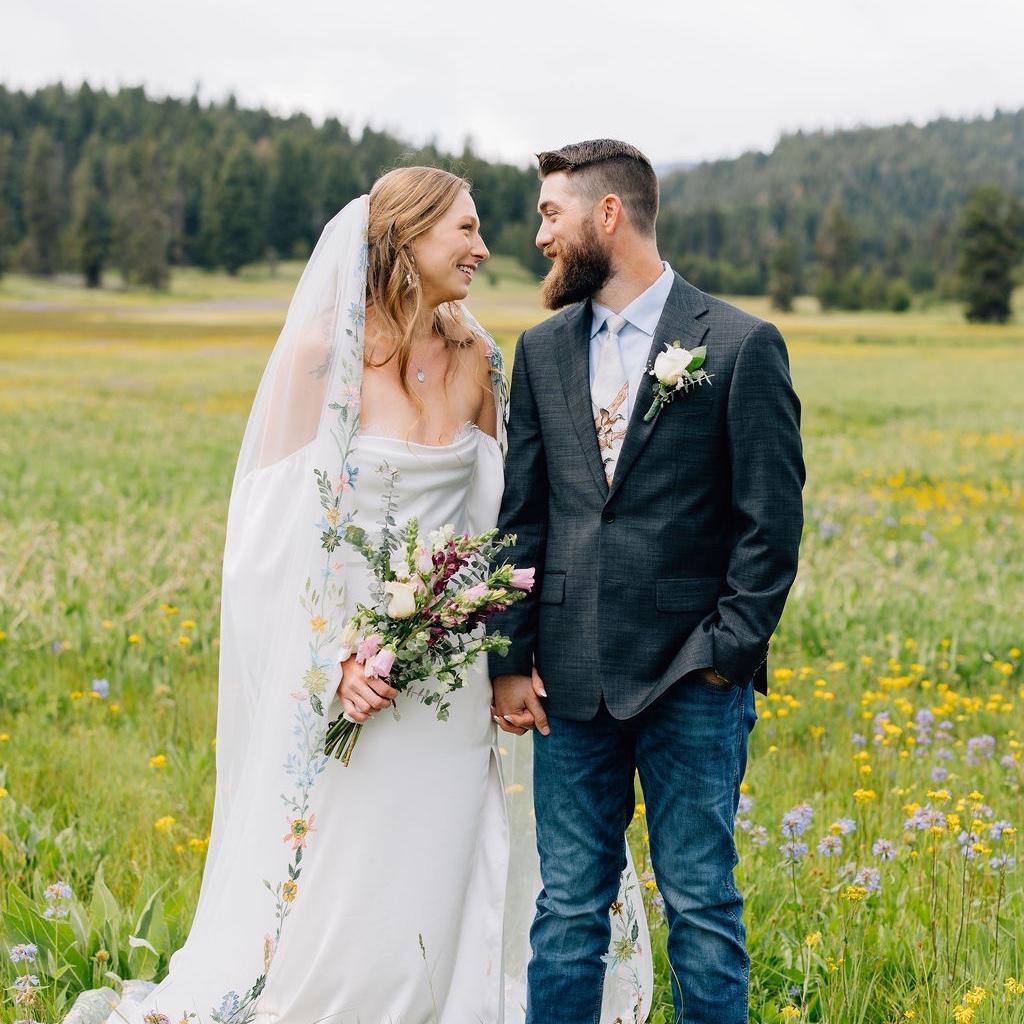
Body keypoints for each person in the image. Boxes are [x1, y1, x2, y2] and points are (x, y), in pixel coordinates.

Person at [65, 166, 651, 1024]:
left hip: (453, 673)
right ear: (407, 237)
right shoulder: (322, 357)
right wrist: (335, 656)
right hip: (356, 671)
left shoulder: (480, 361)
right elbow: (270, 532)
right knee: (352, 856)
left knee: (450, 844)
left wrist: (501, 644)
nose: (485, 248)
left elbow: (504, 521)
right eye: (466, 230)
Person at [489, 139, 806, 1024]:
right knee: (566, 911)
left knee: (701, 906)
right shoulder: (542, 350)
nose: (540, 235)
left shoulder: (739, 344)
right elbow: (523, 516)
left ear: (608, 214)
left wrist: (724, 657)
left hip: (691, 679)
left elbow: (770, 524)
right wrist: (508, 658)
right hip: (569, 680)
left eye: (551, 213)